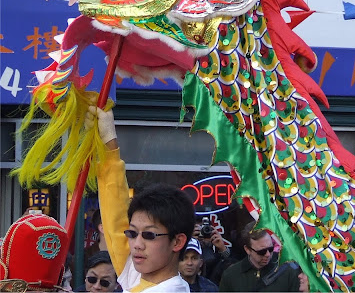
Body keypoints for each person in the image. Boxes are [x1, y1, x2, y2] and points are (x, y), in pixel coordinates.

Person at [87, 106, 195, 293]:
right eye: (132, 233)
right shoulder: (138, 275)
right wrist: (107, 142)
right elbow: (116, 217)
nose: (136, 244)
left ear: (177, 242)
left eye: (149, 235)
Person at [218, 221, 308, 292]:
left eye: (271, 248)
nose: (268, 254)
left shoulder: (289, 271)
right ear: (247, 250)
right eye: (262, 251)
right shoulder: (231, 275)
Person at [194, 218, 236, 285]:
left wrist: (222, 248)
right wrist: (190, 242)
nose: (203, 233)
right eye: (199, 231)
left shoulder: (215, 258)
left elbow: (234, 269)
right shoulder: (183, 256)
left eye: (205, 229)